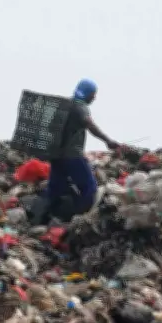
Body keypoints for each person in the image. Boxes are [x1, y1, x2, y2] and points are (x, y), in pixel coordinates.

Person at [42, 78, 120, 221]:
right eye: (93, 94)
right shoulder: (80, 106)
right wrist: (108, 141)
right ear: (88, 93)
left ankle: (47, 215)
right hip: (72, 155)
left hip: (57, 156)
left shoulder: (66, 105)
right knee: (89, 186)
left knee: (56, 187)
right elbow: (90, 125)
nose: (94, 98)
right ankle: (81, 218)